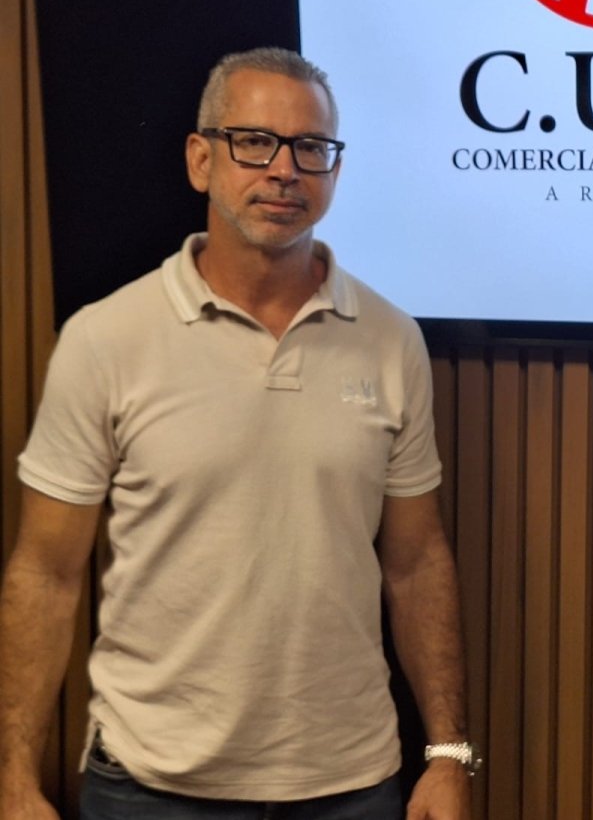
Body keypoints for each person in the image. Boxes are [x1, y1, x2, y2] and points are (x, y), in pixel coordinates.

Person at [0, 47, 475, 819]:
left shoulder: (392, 340)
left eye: (310, 148)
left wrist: (449, 752)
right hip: (151, 787)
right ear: (201, 160)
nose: (284, 170)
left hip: (350, 786)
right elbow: (46, 573)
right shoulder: (105, 339)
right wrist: (12, 778)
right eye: (254, 142)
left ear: (334, 170)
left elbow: (417, 561)